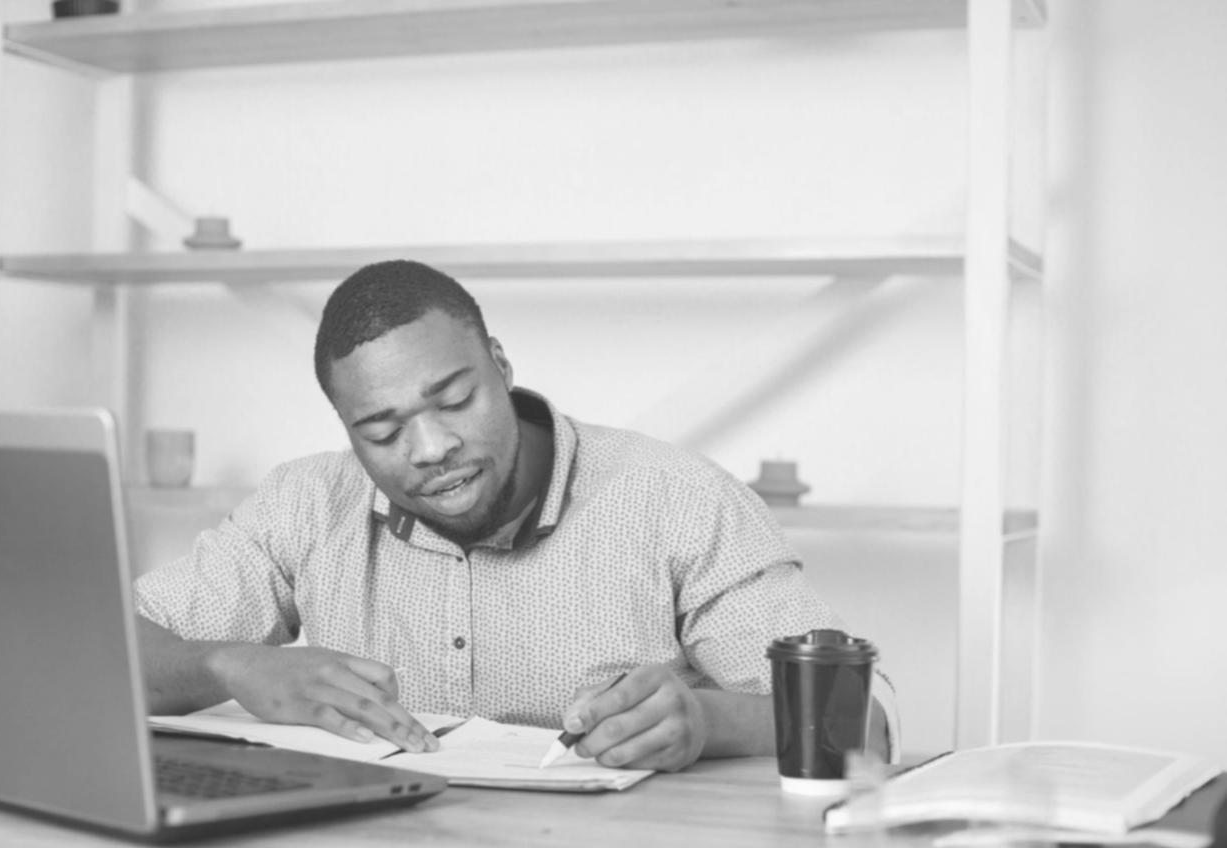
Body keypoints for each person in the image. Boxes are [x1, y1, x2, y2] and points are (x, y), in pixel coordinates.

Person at [134, 259, 840, 772]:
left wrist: (705, 721)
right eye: (382, 432)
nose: (433, 448)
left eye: (453, 401)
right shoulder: (306, 503)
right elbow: (97, 646)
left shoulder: (676, 498)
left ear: (499, 365)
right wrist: (230, 665)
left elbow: (856, 718)